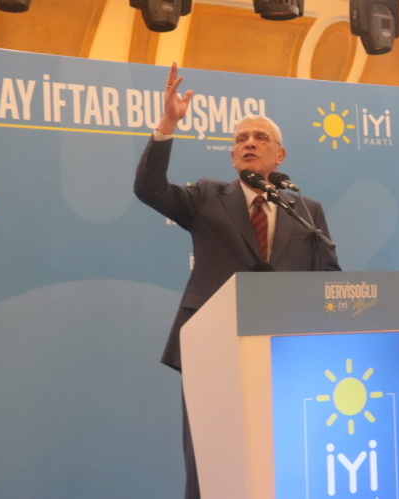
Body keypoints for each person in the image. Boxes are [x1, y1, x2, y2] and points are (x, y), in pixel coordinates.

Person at [134, 63, 340, 499]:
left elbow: (328, 278)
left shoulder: (306, 210)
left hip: (287, 351)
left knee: (283, 456)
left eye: (260, 137)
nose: (249, 143)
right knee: (210, 459)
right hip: (213, 347)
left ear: (280, 155)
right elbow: (149, 189)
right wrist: (168, 123)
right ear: (232, 157)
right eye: (241, 138)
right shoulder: (207, 196)